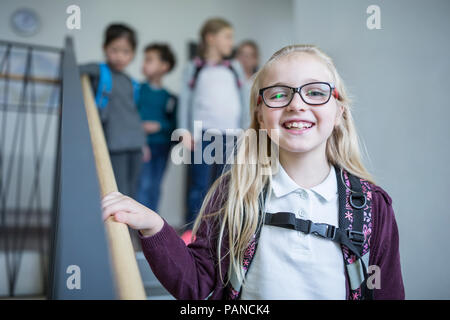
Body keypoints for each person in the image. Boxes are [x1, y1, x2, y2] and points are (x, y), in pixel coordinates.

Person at [102, 44, 405, 300]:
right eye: (278, 95)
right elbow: (196, 282)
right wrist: (154, 226)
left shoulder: (373, 207)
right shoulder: (235, 193)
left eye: (315, 92)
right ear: (260, 114)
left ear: (339, 111)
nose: (297, 104)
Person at [177, 18, 248, 237]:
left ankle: (221, 232)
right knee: (199, 186)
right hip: (203, 134)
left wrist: (246, 130)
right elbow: (185, 101)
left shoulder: (234, 68)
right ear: (210, 38)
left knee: (226, 185)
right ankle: (193, 232)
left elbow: (244, 100)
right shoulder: (194, 68)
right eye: (227, 36)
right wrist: (183, 130)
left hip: (232, 136)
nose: (231, 42)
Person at [80, 23, 146, 198]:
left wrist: (144, 144)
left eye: (126, 52)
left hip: (136, 144)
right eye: (114, 50)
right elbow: (72, 71)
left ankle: (132, 226)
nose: (119, 56)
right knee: (119, 190)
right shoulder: (98, 71)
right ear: (105, 48)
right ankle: (120, 226)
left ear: (133, 54)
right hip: (114, 144)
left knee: (133, 191)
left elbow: (133, 114)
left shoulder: (131, 81)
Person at [136, 43, 177, 212]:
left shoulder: (170, 98)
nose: (144, 64)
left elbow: (174, 126)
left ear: (164, 66)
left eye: (150, 60)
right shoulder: (137, 90)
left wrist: (159, 126)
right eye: (144, 60)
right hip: (141, 146)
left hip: (161, 148)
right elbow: (130, 116)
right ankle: (136, 230)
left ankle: (150, 229)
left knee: (155, 186)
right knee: (142, 186)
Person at [235, 40, 260, 121]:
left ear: (255, 60)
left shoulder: (259, 82)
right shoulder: (229, 79)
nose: (245, 59)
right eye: (242, 55)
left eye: (249, 56)